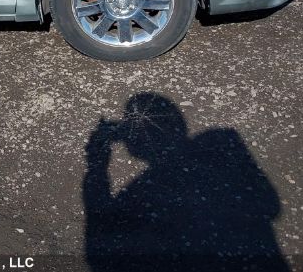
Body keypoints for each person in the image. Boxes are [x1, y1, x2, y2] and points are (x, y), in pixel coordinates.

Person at [83, 92, 289, 272]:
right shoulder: (221, 139)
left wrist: (96, 165)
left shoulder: (220, 139)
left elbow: (99, 234)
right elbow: (270, 206)